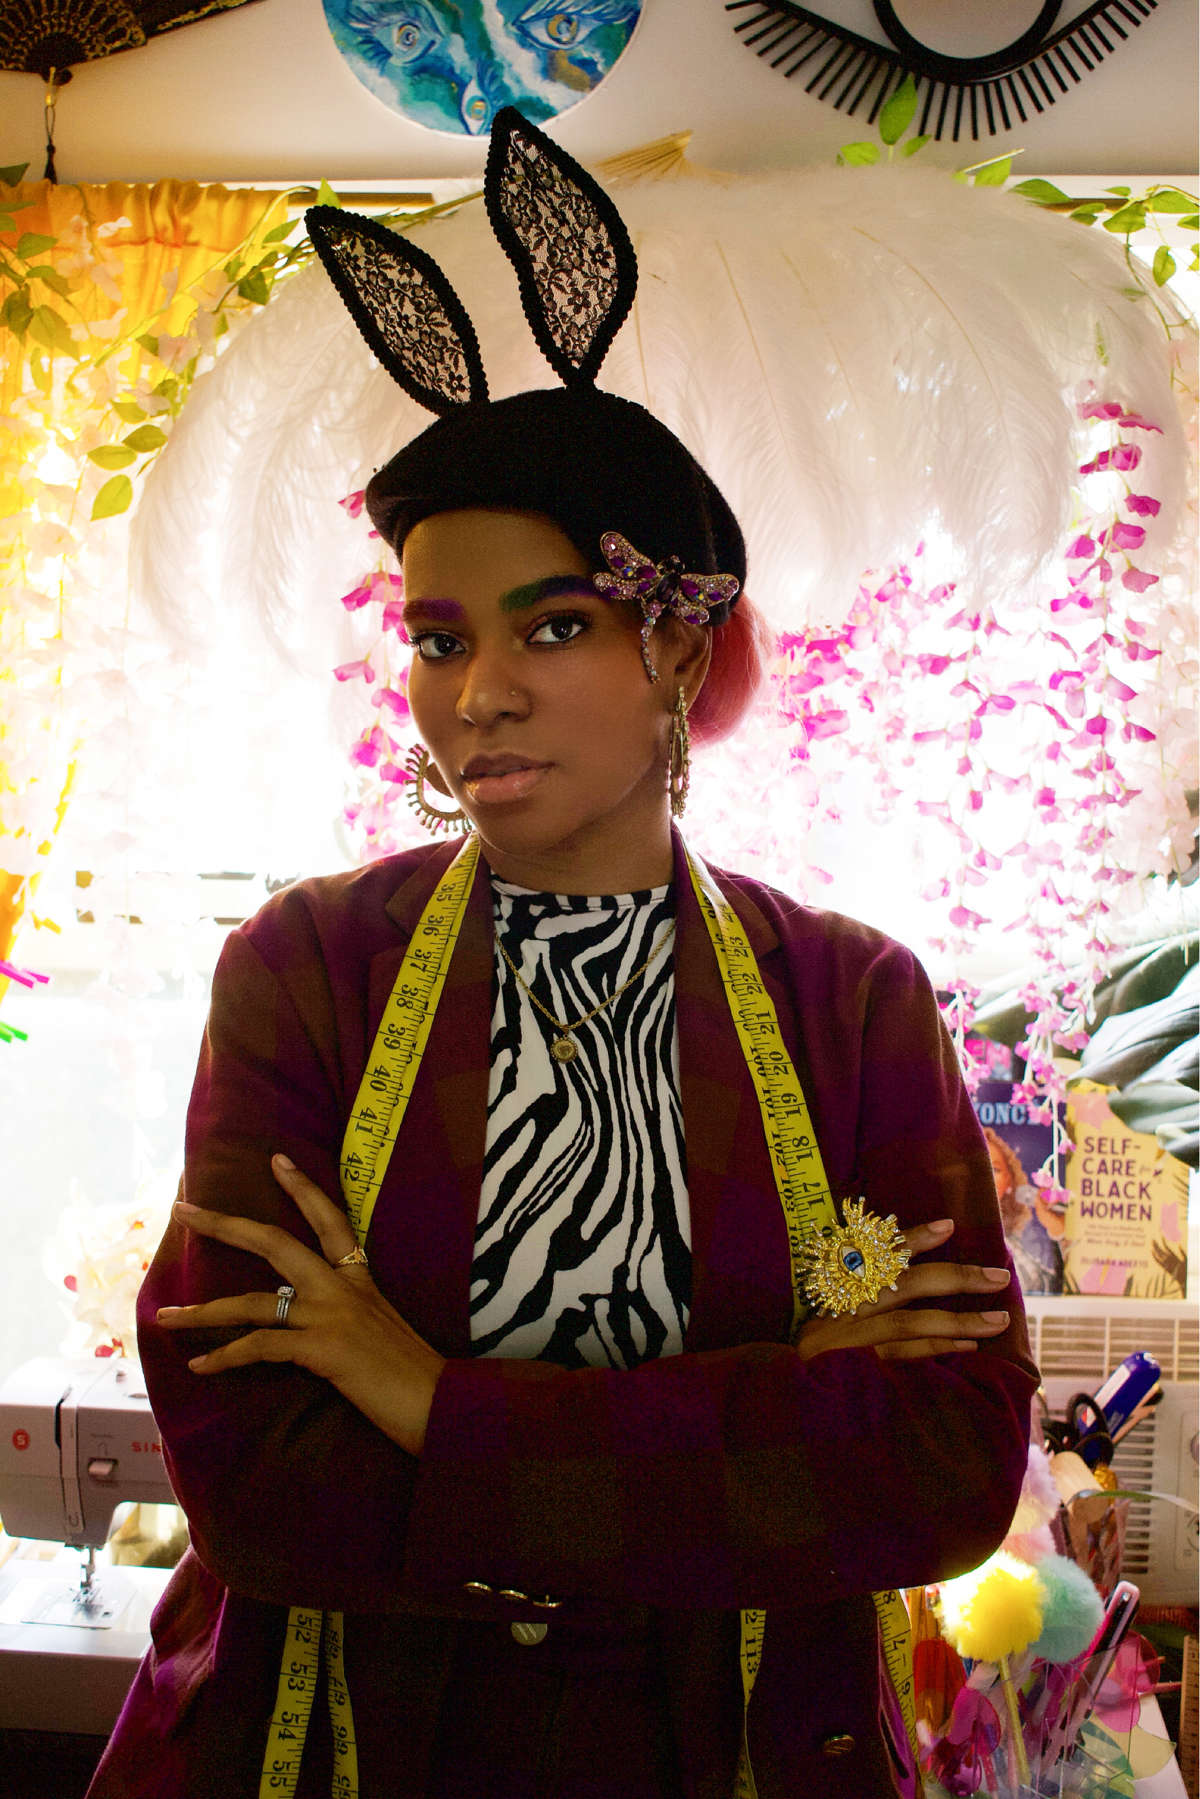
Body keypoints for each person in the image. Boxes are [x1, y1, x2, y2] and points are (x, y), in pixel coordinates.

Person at [87, 110, 1037, 1799]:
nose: (478, 693)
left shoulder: (852, 1002)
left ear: (680, 647)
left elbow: (944, 1474)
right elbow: (259, 1488)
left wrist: (425, 1401)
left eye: (554, 624)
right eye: (438, 637)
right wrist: (765, 1413)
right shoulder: (309, 971)